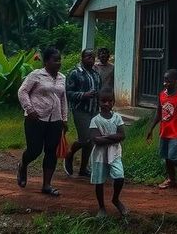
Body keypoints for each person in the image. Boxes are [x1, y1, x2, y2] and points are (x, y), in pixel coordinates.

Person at [16, 46, 67, 196]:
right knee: (35, 150)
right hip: (36, 118)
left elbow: (63, 98)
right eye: (55, 60)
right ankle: (23, 164)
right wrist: (29, 109)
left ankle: (47, 185)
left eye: (59, 60)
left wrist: (64, 119)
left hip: (55, 120)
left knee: (51, 151)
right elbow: (22, 91)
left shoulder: (62, 78)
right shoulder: (36, 75)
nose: (58, 63)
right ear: (46, 62)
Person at [145, 69, 177, 189]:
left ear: (176, 81)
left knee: (173, 156)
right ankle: (171, 180)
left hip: (176, 132)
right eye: (164, 80)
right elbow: (159, 113)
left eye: (168, 81)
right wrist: (151, 128)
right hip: (164, 131)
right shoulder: (161, 95)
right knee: (166, 157)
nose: (165, 83)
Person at [90, 91, 128, 218]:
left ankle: (115, 199)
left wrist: (105, 137)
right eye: (103, 101)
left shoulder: (117, 117)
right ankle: (101, 207)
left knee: (119, 176)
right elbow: (96, 140)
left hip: (115, 153)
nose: (106, 104)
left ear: (113, 102)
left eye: (109, 101)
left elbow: (122, 135)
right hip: (99, 155)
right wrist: (114, 137)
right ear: (98, 102)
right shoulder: (95, 120)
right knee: (99, 181)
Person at [64, 48, 101, 177]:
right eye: (88, 56)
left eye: (93, 56)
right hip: (81, 110)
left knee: (91, 141)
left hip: (94, 110)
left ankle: (83, 169)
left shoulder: (96, 74)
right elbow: (68, 93)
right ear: (82, 58)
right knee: (85, 138)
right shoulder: (75, 73)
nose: (91, 59)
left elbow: (99, 91)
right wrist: (83, 95)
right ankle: (69, 154)